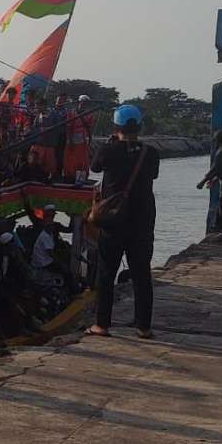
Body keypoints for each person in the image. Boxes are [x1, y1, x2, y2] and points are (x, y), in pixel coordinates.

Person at [87, 105, 160, 339]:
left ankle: (102, 324)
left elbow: (95, 167)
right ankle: (143, 326)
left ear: (116, 126)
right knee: (141, 275)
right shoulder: (150, 153)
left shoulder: (108, 150)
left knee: (107, 273)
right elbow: (153, 175)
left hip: (113, 222)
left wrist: (112, 143)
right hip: (142, 223)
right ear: (139, 126)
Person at [63, 95, 94, 183]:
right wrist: (70, 141)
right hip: (72, 139)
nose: (84, 104)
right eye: (82, 101)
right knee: (70, 158)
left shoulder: (89, 114)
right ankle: (69, 176)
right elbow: (68, 127)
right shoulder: (72, 113)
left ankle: (81, 178)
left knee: (82, 159)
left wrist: (90, 140)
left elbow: (90, 128)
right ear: (79, 102)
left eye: (86, 102)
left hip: (83, 140)